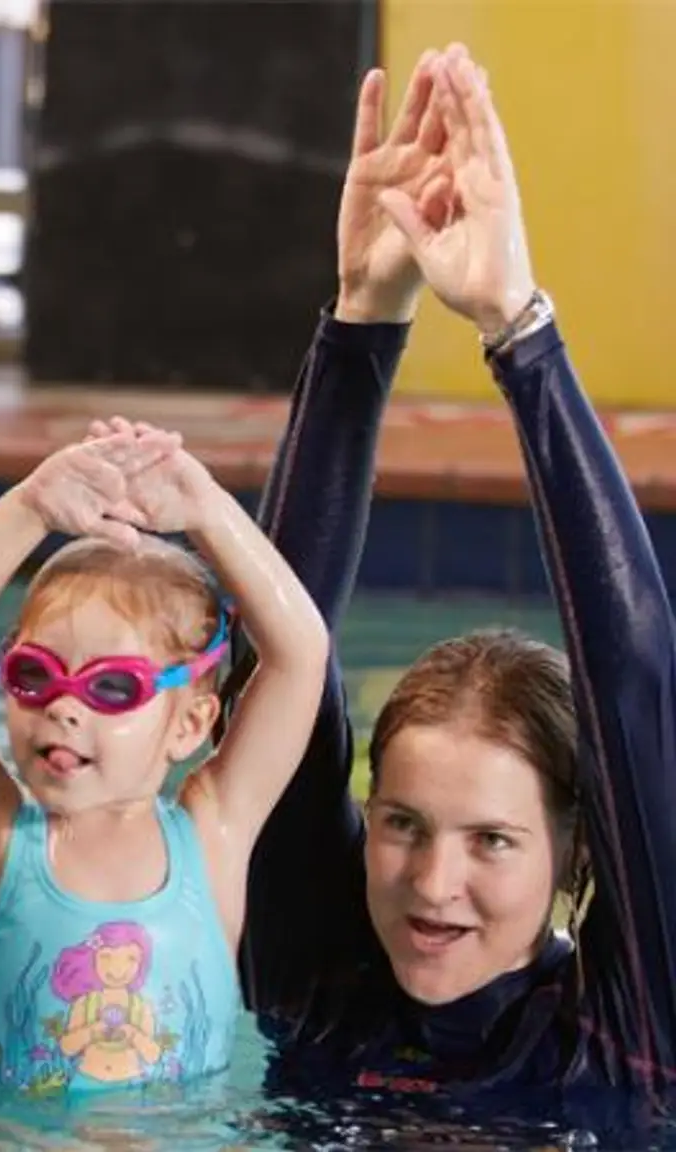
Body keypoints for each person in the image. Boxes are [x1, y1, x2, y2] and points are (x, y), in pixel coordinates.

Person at [233, 42, 676, 1113]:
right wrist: (358, 316)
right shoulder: (312, 984)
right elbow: (276, 660)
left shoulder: (626, 1031)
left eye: (492, 841)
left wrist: (515, 331)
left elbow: (631, 683)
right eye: (401, 824)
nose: (433, 886)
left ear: (576, 848)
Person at [0, 416, 329, 1098]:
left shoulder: (213, 837)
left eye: (112, 687)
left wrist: (208, 510)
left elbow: (301, 656)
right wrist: (31, 507)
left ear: (189, 723)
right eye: (36, 675)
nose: (64, 707)